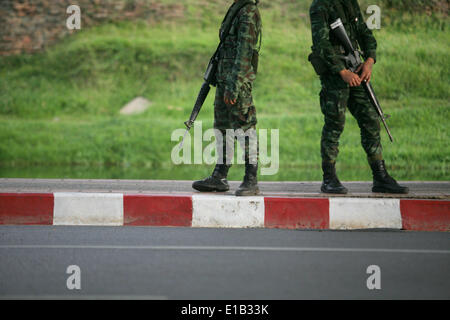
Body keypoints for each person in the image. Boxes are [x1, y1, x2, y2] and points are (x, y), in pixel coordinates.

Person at [309, 0, 408, 194]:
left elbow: (363, 31)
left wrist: (369, 60)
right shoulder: (320, 5)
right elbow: (320, 43)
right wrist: (341, 71)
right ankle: (329, 178)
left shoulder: (349, 2)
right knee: (334, 124)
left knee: (371, 119)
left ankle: (380, 177)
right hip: (335, 77)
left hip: (356, 69)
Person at [192, 0, 262, 196]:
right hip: (224, 79)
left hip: (237, 82)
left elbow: (245, 53)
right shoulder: (237, 7)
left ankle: (251, 178)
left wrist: (235, 84)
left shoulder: (248, 12)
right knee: (222, 127)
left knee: (245, 127)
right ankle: (219, 176)